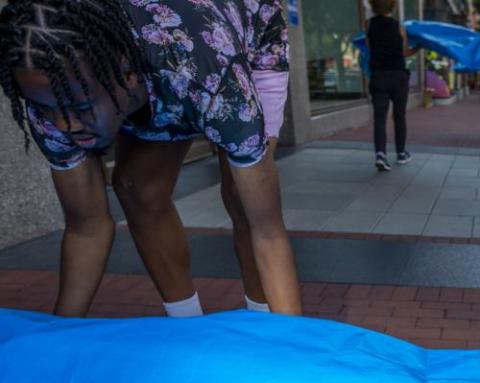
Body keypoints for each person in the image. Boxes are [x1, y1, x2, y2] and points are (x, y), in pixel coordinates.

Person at [0, 0, 302, 317]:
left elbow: (268, 232)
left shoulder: (208, 79)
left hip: (241, 40)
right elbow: (86, 228)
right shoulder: (53, 94)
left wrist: (289, 345)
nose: (65, 126)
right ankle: (187, 325)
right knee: (136, 187)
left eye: (81, 108)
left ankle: (261, 320)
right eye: (47, 109)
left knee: (244, 198)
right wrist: (57, 336)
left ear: (126, 75)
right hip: (153, 73)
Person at [367, 0, 417, 172]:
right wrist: (419, 48)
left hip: (378, 76)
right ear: (393, 6)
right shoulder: (399, 27)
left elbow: (369, 48)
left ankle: (380, 154)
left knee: (379, 118)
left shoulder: (369, 25)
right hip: (398, 77)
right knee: (399, 116)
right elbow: (405, 52)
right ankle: (401, 154)